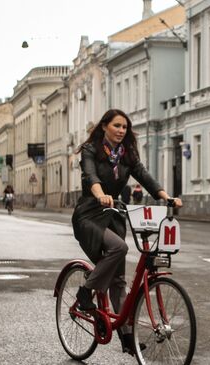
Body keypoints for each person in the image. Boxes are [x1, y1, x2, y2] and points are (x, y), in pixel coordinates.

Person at [71, 109, 182, 356]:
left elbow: (144, 176)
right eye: (117, 125)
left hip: (113, 217)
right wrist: (100, 195)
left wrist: (167, 197)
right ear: (104, 127)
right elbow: (90, 175)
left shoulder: (127, 154)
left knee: (119, 280)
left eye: (125, 127)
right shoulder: (92, 150)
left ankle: (126, 336)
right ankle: (85, 292)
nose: (121, 130)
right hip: (89, 215)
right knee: (119, 248)